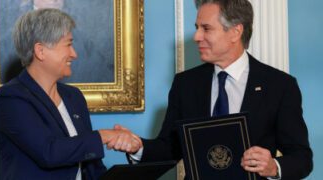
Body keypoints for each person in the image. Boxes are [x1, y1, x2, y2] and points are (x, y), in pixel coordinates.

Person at [117, 0, 313, 179]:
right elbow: (170, 148)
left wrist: (273, 167)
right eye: (197, 28)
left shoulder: (280, 85)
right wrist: (138, 147)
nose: (196, 36)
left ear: (235, 32)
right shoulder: (185, 84)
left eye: (206, 28)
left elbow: (302, 158)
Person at [0, 9, 141, 180]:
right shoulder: (11, 98)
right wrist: (105, 135)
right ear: (40, 51)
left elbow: (91, 167)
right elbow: (49, 152)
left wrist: (133, 153)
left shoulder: (74, 97)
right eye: (68, 44)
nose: (74, 54)